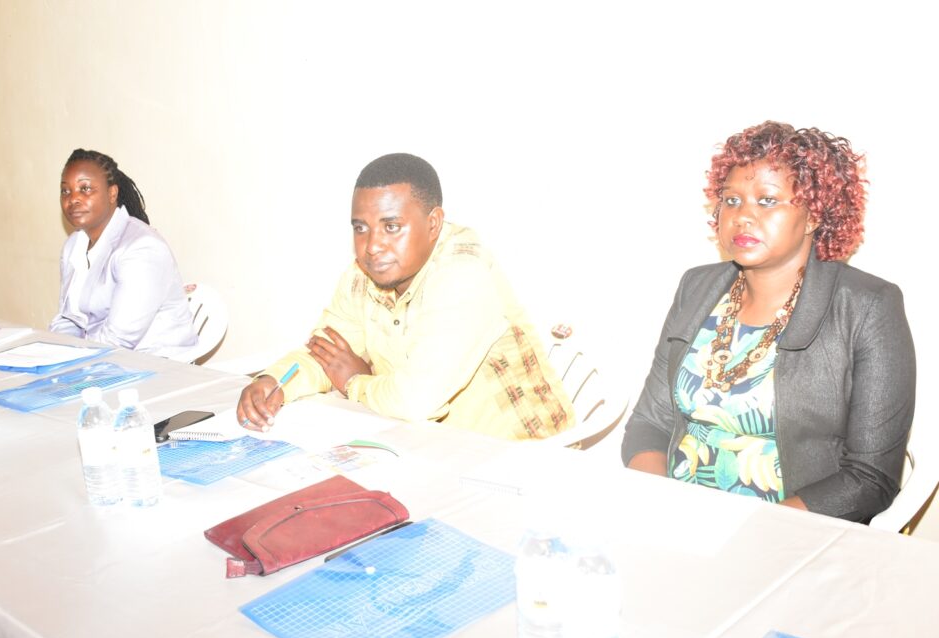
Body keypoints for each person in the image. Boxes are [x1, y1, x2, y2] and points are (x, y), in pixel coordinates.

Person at [621, 121, 915, 522]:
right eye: (731, 200)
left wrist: (752, 532)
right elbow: (648, 423)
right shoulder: (698, 286)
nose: (743, 217)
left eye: (767, 201)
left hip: (788, 534)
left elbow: (869, 477)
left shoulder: (867, 306)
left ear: (813, 215)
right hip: (675, 520)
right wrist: (661, 508)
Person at [237, 152, 574, 441]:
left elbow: (415, 401)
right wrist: (273, 382)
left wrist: (355, 381)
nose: (372, 246)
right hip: (426, 445)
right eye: (360, 228)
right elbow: (326, 354)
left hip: (519, 456)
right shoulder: (364, 273)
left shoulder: (462, 272)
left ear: (433, 224)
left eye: (392, 226)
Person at [49, 149, 198, 357]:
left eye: (85, 189)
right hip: (98, 359)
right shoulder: (73, 245)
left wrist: (71, 359)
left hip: (155, 365)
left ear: (112, 193)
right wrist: (58, 351)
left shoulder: (142, 248)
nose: (73, 199)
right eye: (66, 191)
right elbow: (67, 318)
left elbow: (119, 339)